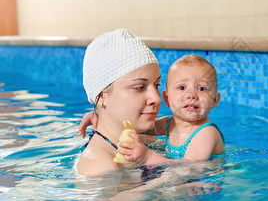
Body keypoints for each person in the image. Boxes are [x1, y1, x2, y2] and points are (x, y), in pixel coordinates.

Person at [79, 54, 225, 167]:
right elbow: (142, 127)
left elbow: (188, 169)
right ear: (167, 99)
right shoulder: (170, 123)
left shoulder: (206, 133)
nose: (191, 95)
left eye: (202, 88)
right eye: (182, 88)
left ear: (215, 100)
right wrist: (101, 115)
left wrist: (148, 158)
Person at [76, 28, 162, 176]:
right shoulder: (101, 167)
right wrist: (176, 175)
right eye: (139, 87)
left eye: (156, 85)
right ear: (102, 96)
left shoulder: (142, 139)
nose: (156, 98)